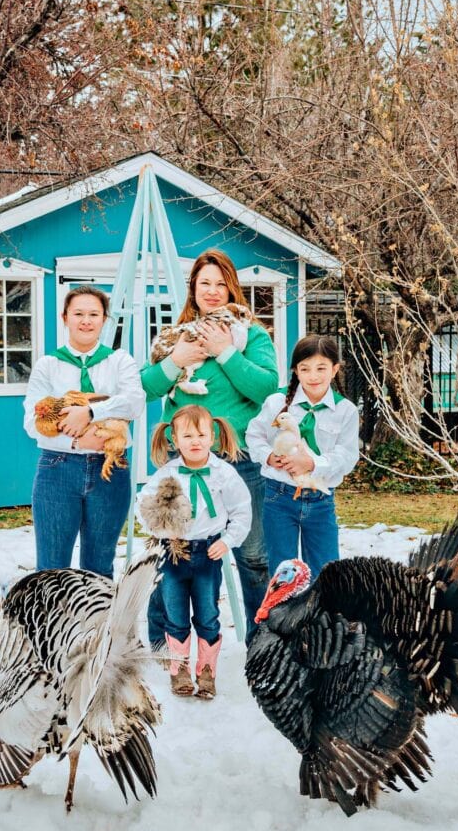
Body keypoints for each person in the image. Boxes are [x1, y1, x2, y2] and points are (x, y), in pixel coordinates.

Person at [140, 249, 278, 645]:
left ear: (232, 286)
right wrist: (176, 362)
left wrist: (225, 352)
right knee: (173, 550)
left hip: (238, 459)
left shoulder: (250, 333)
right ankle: (162, 640)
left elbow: (268, 387)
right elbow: (146, 387)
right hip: (180, 458)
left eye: (221, 284)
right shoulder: (176, 336)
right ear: (194, 290)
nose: (214, 292)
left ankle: (262, 643)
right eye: (205, 284)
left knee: (253, 556)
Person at [23, 286, 145, 579]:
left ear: (104, 320)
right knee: (51, 569)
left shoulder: (119, 361)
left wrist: (91, 412)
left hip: (110, 468)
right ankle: (52, 625)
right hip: (58, 469)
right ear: (65, 318)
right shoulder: (48, 365)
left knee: (99, 567)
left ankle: (95, 625)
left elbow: (134, 402)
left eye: (94, 314)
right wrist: (77, 440)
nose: (86, 321)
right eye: (78, 314)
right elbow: (31, 422)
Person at [137, 405, 252, 699]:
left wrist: (227, 540)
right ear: (174, 440)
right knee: (174, 614)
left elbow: (241, 510)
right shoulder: (166, 474)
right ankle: (180, 670)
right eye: (187, 435)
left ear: (212, 437)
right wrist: (163, 530)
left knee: (208, 614)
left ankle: (207, 671)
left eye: (201, 434)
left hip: (207, 554)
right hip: (173, 553)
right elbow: (144, 506)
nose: (195, 441)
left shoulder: (223, 474)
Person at [245, 335, 359, 579]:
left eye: (321, 368)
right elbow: (254, 436)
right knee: (283, 572)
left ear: (334, 369)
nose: (313, 376)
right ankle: (284, 617)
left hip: (320, 501)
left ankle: (320, 618)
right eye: (305, 369)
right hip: (279, 498)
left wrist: (312, 463)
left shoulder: (345, 411)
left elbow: (347, 455)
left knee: (325, 571)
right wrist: (268, 457)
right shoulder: (277, 402)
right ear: (295, 371)